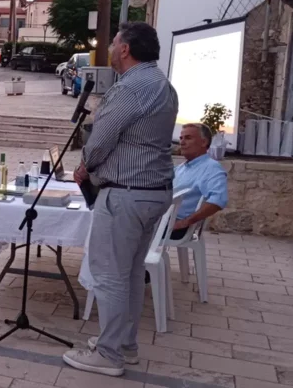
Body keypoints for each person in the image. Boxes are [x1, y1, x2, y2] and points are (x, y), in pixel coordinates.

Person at [66, 22, 179, 377]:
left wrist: (84, 167)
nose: (111, 49)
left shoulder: (130, 87)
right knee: (129, 274)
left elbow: (100, 140)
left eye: (114, 43)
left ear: (126, 49)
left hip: (126, 194)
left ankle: (109, 354)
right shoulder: (163, 85)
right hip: (152, 193)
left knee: (109, 275)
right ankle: (125, 346)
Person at [171, 124, 227, 240]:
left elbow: (219, 199)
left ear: (203, 142)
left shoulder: (211, 168)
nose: (182, 142)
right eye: (181, 138)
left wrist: (186, 222)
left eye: (188, 138)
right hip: (161, 221)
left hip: (174, 227)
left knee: (132, 227)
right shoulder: (181, 168)